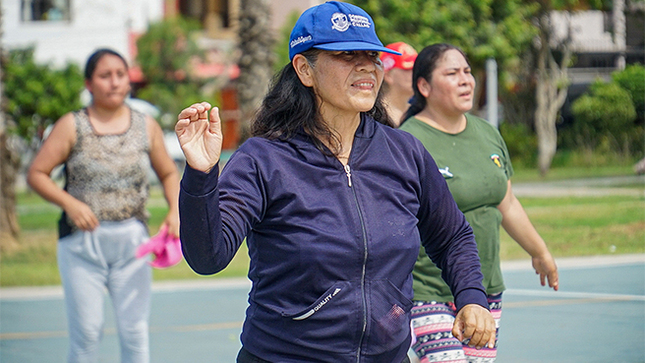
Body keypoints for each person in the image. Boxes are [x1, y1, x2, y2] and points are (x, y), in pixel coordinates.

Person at [175, 2, 496, 362]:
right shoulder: (263, 159)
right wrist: (202, 175)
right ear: (304, 69)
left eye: (372, 56)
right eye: (346, 55)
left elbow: (452, 235)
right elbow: (207, 257)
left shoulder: (404, 151)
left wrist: (471, 297)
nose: (366, 67)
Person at [398, 43, 559, 363]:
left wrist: (539, 251)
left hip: (484, 288)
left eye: (468, 72)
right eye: (452, 73)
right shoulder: (408, 141)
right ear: (424, 86)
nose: (466, 80)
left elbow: (507, 202)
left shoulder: (487, 133)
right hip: (428, 290)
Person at [27, 48, 180, 363]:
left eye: (120, 75)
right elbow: (36, 174)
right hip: (83, 247)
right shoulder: (72, 125)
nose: (114, 82)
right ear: (89, 83)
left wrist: (175, 211)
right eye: (104, 75)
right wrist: (69, 203)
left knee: (135, 333)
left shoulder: (145, 126)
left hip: (132, 245)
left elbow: (168, 173)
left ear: (128, 81)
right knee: (87, 335)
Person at [380, 42, 418, 125]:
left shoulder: (419, 113)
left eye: (416, 69)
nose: (415, 74)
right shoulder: (376, 116)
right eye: (407, 70)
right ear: (388, 75)